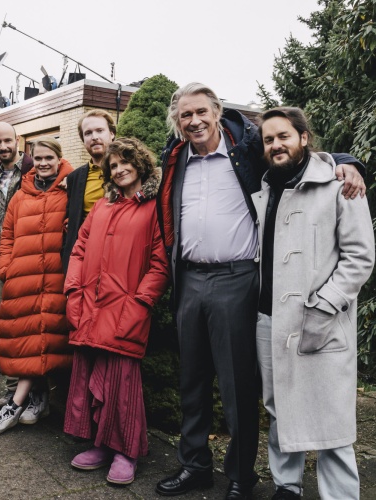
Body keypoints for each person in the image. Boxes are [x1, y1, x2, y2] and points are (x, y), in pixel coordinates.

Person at [155, 83, 365, 499]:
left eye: (201, 112)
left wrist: (350, 162)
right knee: (192, 381)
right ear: (177, 123)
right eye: (185, 115)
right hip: (190, 279)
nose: (194, 121)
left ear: (216, 112)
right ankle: (194, 465)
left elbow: (296, 153)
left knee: (238, 386)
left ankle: (240, 476)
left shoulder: (245, 150)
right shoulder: (174, 159)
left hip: (237, 279)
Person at [254, 107, 374, 500]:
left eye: (283, 136)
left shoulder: (341, 183)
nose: (276, 144)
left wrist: (325, 305)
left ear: (304, 138)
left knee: (332, 415)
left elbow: (360, 257)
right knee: (278, 408)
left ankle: (340, 495)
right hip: (270, 318)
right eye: (269, 139)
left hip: (321, 319)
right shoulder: (265, 186)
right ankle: (286, 486)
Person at [64, 137, 169, 485]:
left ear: (139, 164)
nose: (120, 169)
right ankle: (101, 444)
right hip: (88, 308)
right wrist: (73, 292)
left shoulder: (155, 207)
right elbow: (78, 250)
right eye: (113, 165)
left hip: (126, 308)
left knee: (121, 380)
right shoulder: (101, 207)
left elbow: (159, 264)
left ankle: (126, 451)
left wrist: (141, 302)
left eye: (126, 162)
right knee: (90, 372)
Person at [0, 137, 73, 435]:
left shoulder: (70, 190)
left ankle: (21, 403)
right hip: (24, 277)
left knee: (47, 338)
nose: (44, 163)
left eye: (50, 158)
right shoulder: (21, 195)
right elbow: (6, 235)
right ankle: (35, 399)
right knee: (27, 338)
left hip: (56, 278)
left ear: (59, 159)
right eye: (40, 158)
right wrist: (7, 267)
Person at [0, 122, 35, 409]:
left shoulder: (31, 167)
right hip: (1, 256)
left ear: (18, 140)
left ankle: (36, 393)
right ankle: (12, 388)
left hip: (29, 255)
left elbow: (61, 167)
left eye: (7, 141)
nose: (2, 146)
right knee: (7, 326)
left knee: (31, 325)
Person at [61, 109, 117, 274]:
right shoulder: (74, 178)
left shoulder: (129, 170)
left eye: (100, 130)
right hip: (85, 260)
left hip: (119, 257)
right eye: (88, 133)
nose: (94, 137)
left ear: (112, 133)